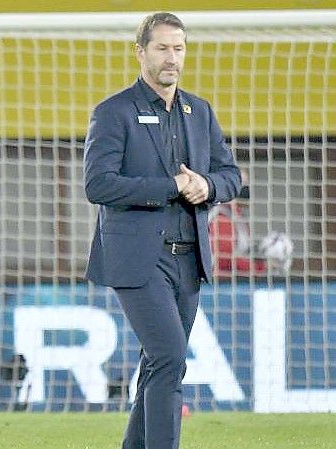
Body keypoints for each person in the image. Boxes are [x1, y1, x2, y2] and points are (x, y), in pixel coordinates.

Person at [83, 12, 241, 449]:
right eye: (162, 48)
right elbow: (97, 184)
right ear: (140, 52)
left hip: (189, 259)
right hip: (138, 260)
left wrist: (206, 186)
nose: (172, 58)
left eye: (179, 48)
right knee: (171, 357)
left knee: (157, 363)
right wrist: (171, 186)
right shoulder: (114, 112)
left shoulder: (199, 111)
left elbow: (231, 175)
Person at [209, 169, 293, 276]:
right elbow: (226, 260)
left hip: (233, 279)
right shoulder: (222, 218)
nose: (246, 190)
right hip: (219, 283)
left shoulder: (236, 216)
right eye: (243, 185)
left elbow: (242, 250)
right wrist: (264, 267)